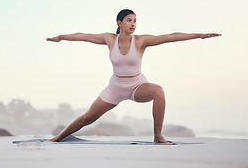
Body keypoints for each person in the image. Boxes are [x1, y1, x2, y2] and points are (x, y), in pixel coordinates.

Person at [46, 9, 221, 143]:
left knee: (158, 91)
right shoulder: (109, 39)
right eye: (129, 20)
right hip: (115, 88)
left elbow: (170, 37)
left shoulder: (140, 41)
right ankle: (58, 138)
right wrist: (61, 37)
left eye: (135, 21)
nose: (133, 24)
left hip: (137, 86)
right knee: (87, 118)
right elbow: (82, 36)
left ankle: (158, 135)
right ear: (119, 23)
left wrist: (199, 35)